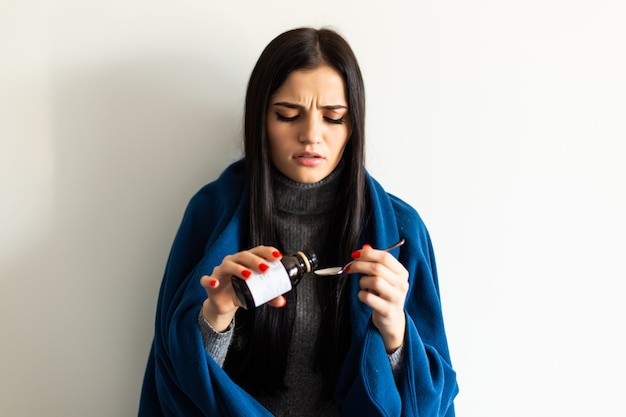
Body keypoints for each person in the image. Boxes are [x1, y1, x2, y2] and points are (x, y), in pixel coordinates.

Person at [139, 27, 458, 416]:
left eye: (333, 118)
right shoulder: (210, 216)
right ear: (260, 118)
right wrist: (215, 319)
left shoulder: (401, 232)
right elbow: (172, 385)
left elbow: (435, 403)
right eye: (288, 115)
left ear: (353, 126)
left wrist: (396, 333)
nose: (311, 135)